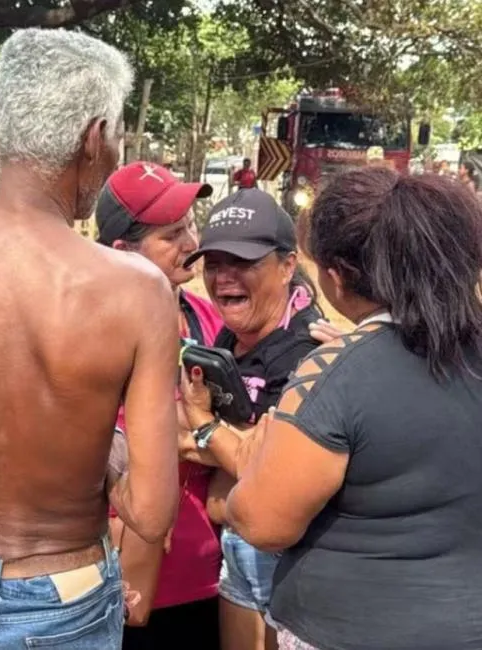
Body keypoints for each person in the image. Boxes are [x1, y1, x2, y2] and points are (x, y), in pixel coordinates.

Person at [225, 168, 482, 650]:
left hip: (350, 628)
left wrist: (252, 452)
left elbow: (263, 522)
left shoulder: (336, 373)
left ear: (337, 276)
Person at [0, 29, 181, 649]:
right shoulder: (137, 290)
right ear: (94, 139)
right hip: (61, 592)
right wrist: (109, 448)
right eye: (117, 136)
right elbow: (149, 514)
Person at [178, 189, 322, 650]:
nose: (223, 278)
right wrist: (226, 446)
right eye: (214, 263)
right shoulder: (228, 337)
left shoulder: (310, 350)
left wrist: (204, 429)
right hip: (237, 551)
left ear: (286, 265)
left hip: (291, 562)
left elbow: (271, 472)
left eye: (243, 262)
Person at [96, 161, 224, 648]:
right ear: (123, 251)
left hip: (210, 576)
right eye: (171, 234)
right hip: (137, 586)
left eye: (191, 224)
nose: (192, 244)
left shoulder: (208, 318)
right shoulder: (95, 338)